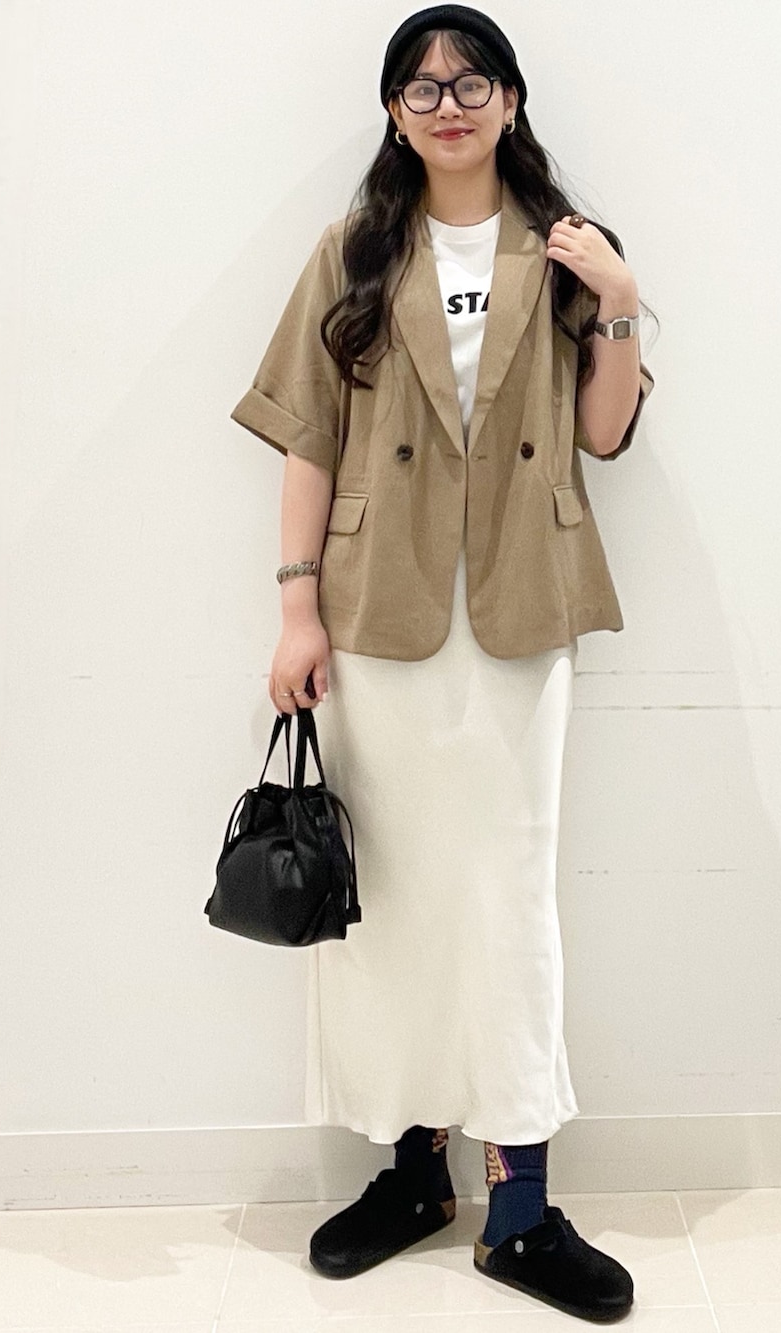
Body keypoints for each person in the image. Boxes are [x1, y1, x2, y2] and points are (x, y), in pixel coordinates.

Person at [230, 5, 654, 1322]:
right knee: (396, 901)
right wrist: (296, 610)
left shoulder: (569, 247)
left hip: (521, 612)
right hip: (379, 614)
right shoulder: (355, 249)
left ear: (512, 100)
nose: (450, 103)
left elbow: (603, 433)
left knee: (507, 900)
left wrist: (620, 303)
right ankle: (413, 1173)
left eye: (473, 82)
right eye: (422, 86)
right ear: (395, 113)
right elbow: (308, 438)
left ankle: (519, 1208)